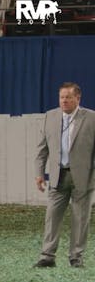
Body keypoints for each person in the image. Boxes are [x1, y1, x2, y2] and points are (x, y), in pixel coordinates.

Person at [34, 82, 95, 269]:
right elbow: (42, 149)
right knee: (52, 217)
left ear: (78, 98)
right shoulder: (50, 116)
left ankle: (76, 258)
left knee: (80, 218)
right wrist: (39, 174)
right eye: (62, 97)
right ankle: (47, 256)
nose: (64, 101)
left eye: (68, 97)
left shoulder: (91, 118)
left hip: (83, 178)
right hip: (57, 176)